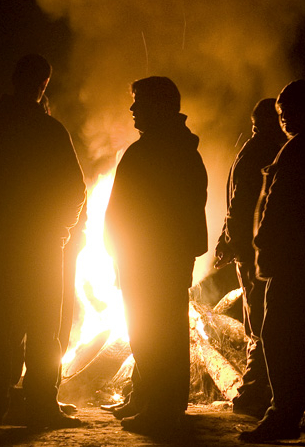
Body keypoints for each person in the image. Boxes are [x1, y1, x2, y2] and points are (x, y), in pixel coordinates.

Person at [0, 54, 86, 429]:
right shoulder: (50, 131)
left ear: (13, 79)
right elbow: (75, 189)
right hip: (43, 247)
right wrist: (60, 228)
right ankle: (42, 405)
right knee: (44, 327)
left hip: (1, 243)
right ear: (43, 84)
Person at [239, 79, 305, 442]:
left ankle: (283, 415)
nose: (282, 119)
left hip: (295, 263)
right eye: (280, 113)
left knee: (281, 336)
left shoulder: (301, 149)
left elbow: (282, 206)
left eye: (287, 112)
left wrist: (265, 246)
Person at [103, 76, 208, 435]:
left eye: (139, 102)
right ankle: (149, 397)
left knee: (156, 334)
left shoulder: (165, 151)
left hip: (153, 260)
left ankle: (161, 409)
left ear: (160, 106)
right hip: (149, 258)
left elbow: (164, 211)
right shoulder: (166, 148)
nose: (132, 109)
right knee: (149, 332)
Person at [213, 98, 286, 419]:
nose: (256, 126)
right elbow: (237, 202)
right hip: (255, 249)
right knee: (262, 317)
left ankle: (258, 387)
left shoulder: (263, 151)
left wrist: (230, 241)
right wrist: (225, 239)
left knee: (262, 319)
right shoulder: (265, 148)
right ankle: (264, 386)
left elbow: (243, 203)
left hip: (259, 252)